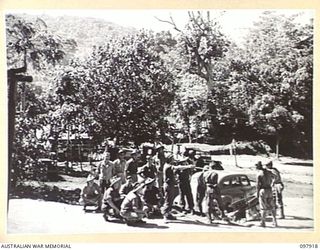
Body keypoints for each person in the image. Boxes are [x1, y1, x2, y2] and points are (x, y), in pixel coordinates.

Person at [161, 154, 194, 223]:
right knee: (168, 201)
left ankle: (168, 214)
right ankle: (165, 216)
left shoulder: (168, 165)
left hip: (170, 185)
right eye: (172, 159)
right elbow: (177, 168)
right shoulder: (168, 166)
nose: (173, 160)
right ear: (169, 159)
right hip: (168, 185)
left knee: (170, 201)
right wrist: (188, 166)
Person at [256, 161, 278, 227]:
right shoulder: (268, 172)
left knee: (263, 208)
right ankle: (275, 221)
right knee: (272, 206)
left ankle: (263, 222)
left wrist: (257, 193)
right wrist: (272, 183)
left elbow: (258, 185)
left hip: (263, 190)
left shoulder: (259, 174)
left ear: (258, 166)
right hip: (269, 190)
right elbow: (276, 176)